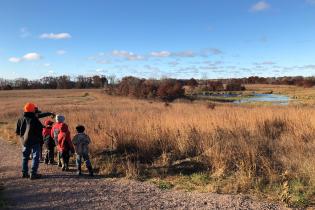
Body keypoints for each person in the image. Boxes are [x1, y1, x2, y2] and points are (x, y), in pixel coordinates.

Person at [15, 102, 43, 179]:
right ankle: (33, 173)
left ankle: (24, 173)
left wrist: (23, 138)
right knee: (35, 157)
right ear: (32, 110)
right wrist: (40, 139)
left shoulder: (20, 118)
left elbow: (17, 131)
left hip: (24, 141)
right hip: (35, 141)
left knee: (25, 157)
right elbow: (40, 129)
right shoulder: (34, 119)